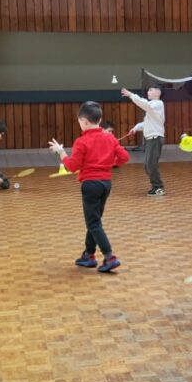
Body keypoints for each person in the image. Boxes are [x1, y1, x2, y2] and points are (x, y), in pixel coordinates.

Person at [50, 102, 130, 273]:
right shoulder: (110, 137)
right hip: (106, 184)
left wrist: (60, 152)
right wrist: (108, 164)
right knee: (94, 221)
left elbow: (72, 166)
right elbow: (124, 157)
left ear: (84, 121)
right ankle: (89, 255)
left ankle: (110, 257)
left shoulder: (81, 141)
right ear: (99, 120)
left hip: (90, 185)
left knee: (93, 223)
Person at [121, 85, 166, 196]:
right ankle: (156, 186)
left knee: (150, 165)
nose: (148, 92)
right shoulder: (153, 107)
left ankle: (159, 187)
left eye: (151, 90)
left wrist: (131, 95)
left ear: (158, 92)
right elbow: (147, 123)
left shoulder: (158, 104)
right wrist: (136, 128)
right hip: (151, 139)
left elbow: (144, 104)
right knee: (147, 165)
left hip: (155, 138)